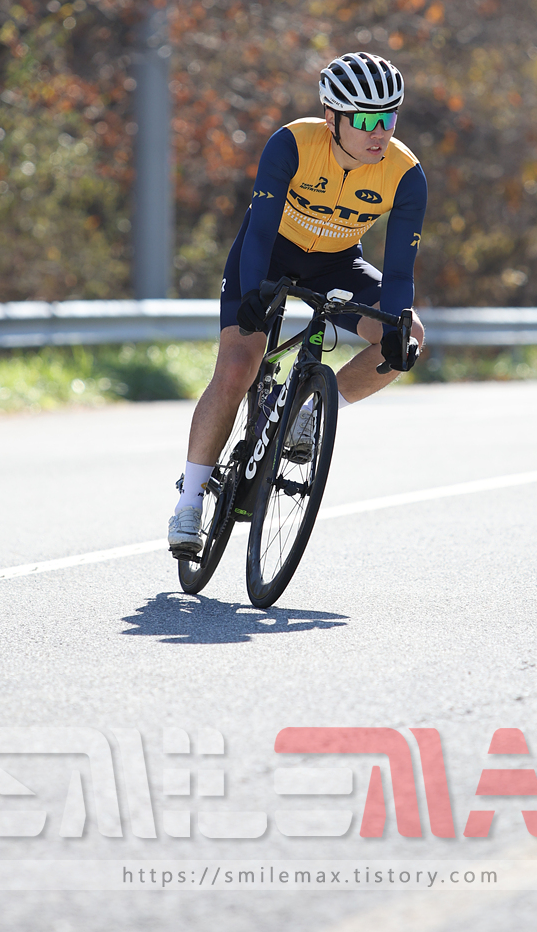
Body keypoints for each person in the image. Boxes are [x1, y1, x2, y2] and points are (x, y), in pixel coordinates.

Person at [168, 52, 428, 556]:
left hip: (337, 265)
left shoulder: (405, 173)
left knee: (409, 335)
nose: (379, 133)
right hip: (268, 256)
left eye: (389, 119)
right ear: (332, 118)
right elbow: (260, 230)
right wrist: (252, 294)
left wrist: (396, 330)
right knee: (237, 367)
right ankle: (190, 501)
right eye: (365, 121)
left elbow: (399, 272)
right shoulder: (292, 143)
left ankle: (310, 410)